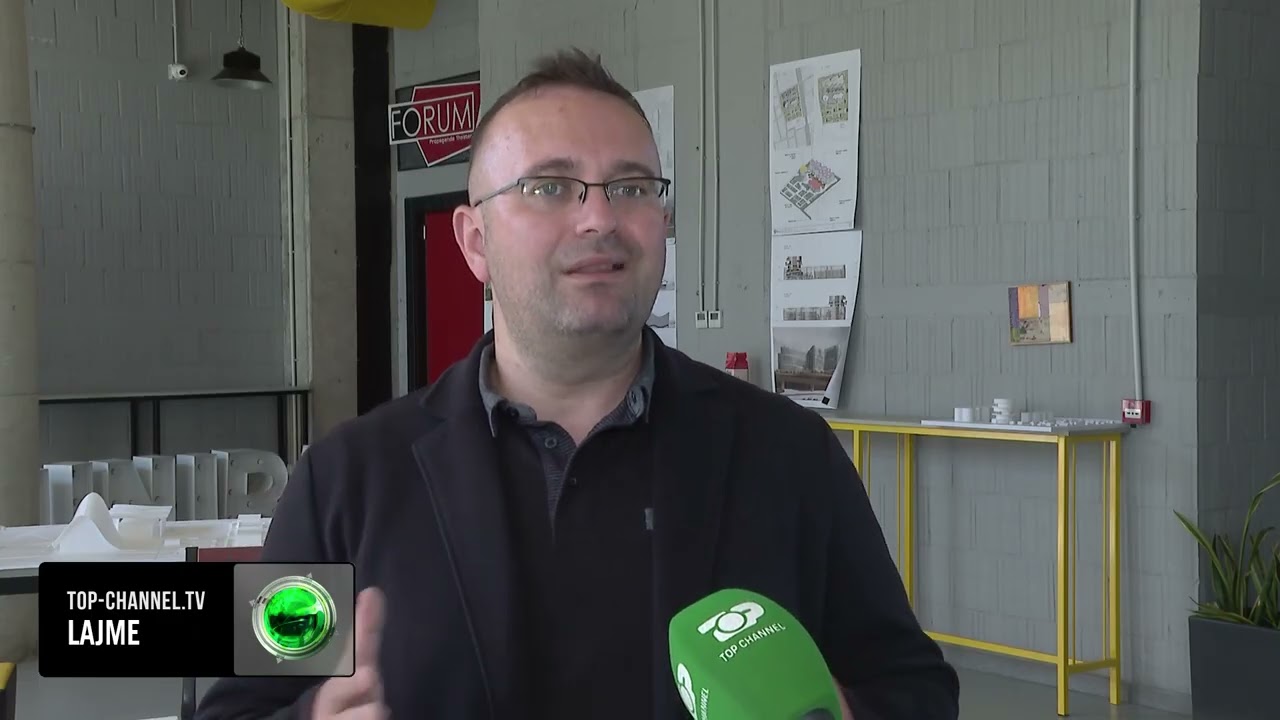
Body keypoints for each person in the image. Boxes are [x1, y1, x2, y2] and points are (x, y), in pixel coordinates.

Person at [196, 48, 959, 720]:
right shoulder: (344, 479)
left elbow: (913, 687)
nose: (599, 218)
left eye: (631, 187)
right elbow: (239, 706)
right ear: (474, 241)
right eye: (550, 187)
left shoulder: (788, 455)